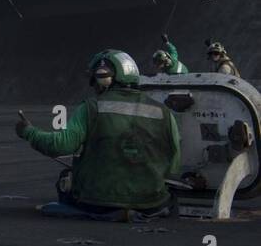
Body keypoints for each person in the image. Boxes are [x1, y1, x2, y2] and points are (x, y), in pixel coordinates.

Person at [15, 49, 180, 219]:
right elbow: (175, 161)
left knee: (65, 179)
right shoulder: (164, 113)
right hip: (151, 203)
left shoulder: (92, 107)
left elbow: (61, 145)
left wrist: (29, 131)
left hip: (98, 203)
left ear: (104, 79)